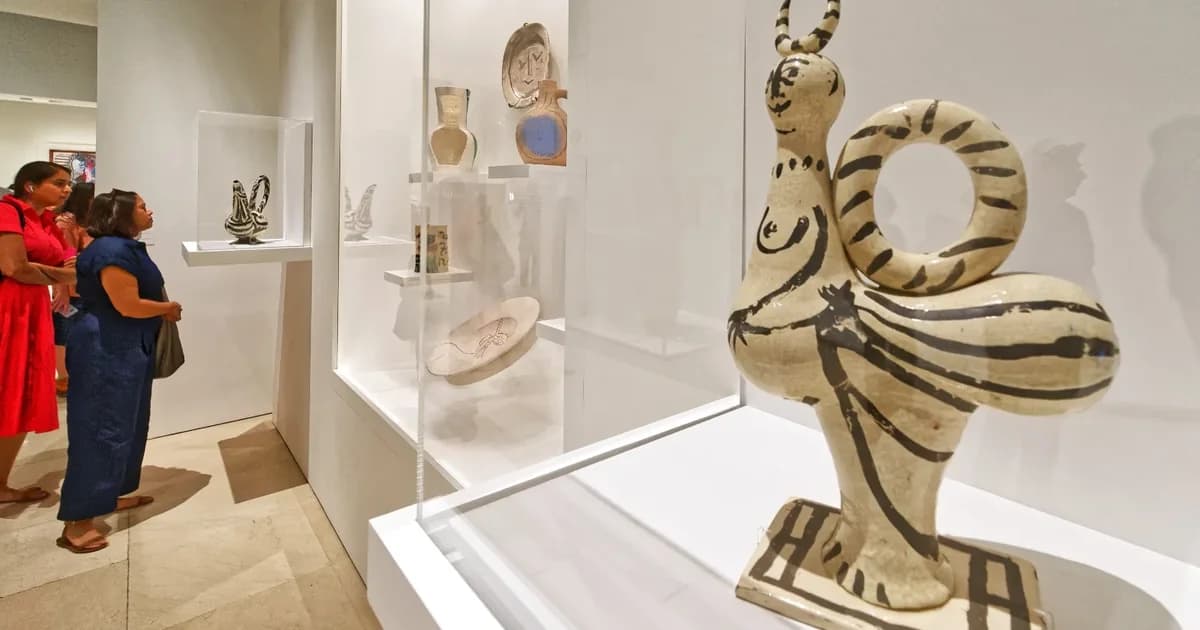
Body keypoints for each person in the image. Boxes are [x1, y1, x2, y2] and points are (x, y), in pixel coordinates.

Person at [57, 189, 181, 553]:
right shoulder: (111, 251)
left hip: (123, 346)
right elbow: (126, 305)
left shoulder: (118, 248)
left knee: (127, 422)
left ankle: (109, 494)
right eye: (143, 207)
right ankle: (78, 521)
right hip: (105, 349)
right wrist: (166, 308)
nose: (150, 211)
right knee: (100, 429)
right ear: (122, 214)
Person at [0, 162, 76, 504]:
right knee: (8, 387)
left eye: (68, 184)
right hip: (9, 308)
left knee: (22, 392)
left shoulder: (45, 220)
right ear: (30, 186)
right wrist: (61, 278)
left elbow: (66, 261)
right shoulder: (7, 211)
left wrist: (57, 276)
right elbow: (14, 267)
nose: (66, 189)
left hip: (31, 309)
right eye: (58, 183)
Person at [51, 182, 95, 395]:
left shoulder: (92, 223)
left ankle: (74, 376)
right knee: (64, 333)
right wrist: (60, 291)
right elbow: (62, 259)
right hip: (70, 291)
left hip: (89, 291)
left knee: (80, 333)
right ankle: (64, 379)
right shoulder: (66, 222)